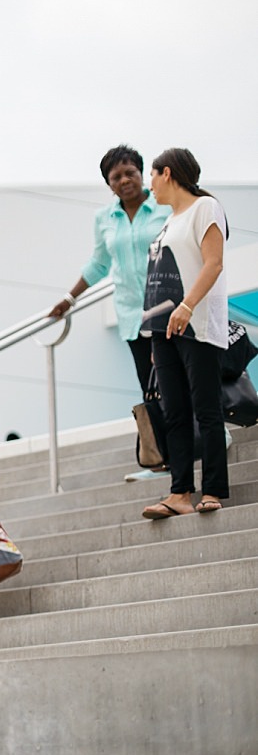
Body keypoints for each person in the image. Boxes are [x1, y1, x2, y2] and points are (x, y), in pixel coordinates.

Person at [48, 145, 172, 480]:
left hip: (170, 310)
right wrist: (68, 299)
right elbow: (99, 263)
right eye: (116, 176)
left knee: (181, 379)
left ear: (141, 173)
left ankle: (214, 433)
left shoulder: (165, 204)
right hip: (133, 316)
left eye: (130, 172)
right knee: (150, 390)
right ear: (109, 184)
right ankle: (160, 459)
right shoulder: (104, 218)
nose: (124, 179)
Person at [139, 148, 230, 519]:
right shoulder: (168, 221)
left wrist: (188, 305)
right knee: (174, 411)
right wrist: (153, 337)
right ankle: (179, 493)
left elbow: (214, 263)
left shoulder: (205, 209)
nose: (150, 186)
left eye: (152, 176)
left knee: (206, 408)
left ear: (168, 173)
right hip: (164, 331)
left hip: (197, 325)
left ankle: (212, 489)